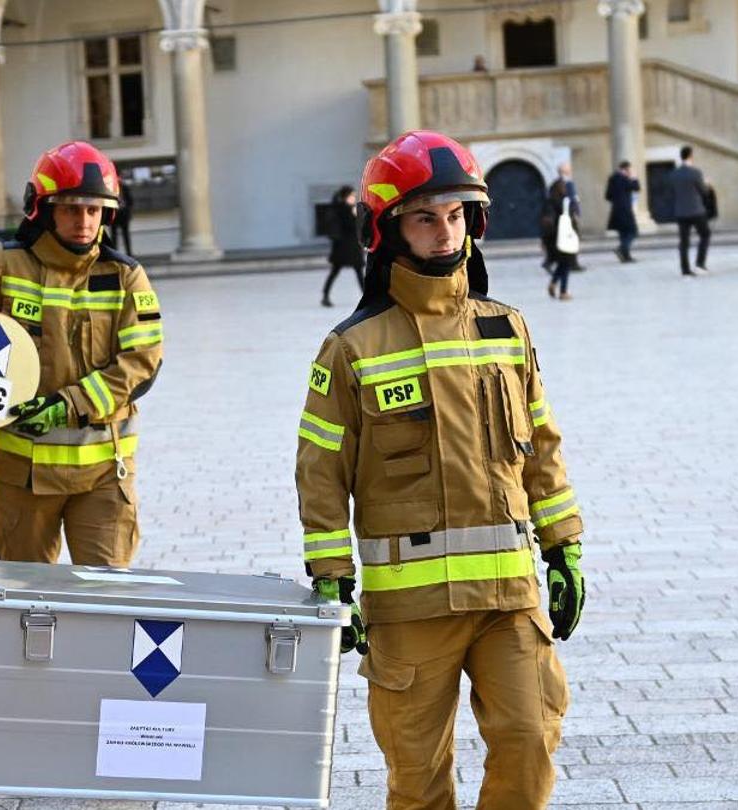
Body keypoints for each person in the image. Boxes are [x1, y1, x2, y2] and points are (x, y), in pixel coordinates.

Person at [295, 129, 584, 810]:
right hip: (409, 609)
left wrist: (564, 547)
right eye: (424, 218)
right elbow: (320, 471)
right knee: (418, 780)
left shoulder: (506, 328)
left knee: (531, 740)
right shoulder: (351, 348)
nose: (444, 232)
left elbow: (541, 447)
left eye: (456, 215)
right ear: (387, 230)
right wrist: (332, 578)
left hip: (508, 599)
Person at [0, 141, 162, 569]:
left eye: (94, 210)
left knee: (106, 598)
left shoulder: (125, 277)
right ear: (42, 209)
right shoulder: (5, 262)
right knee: (26, 599)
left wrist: (69, 404)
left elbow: (142, 361)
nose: (83, 221)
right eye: (70, 209)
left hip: (104, 479)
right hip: (22, 478)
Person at [668, 146, 711, 276]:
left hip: (681, 212)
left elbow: (672, 193)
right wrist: (707, 184)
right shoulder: (696, 172)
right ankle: (700, 264)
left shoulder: (674, 174)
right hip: (696, 211)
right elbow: (704, 192)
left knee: (684, 242)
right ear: (691, 156)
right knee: (705, 235)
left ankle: (685, 269)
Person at [322, 185, 365, 307]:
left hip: (346, 247)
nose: (354, 198)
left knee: (353, 272)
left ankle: (325, 295)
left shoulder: (342, 208)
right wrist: (356, 216)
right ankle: (325, 296)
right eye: (352, 196)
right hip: (345, 247)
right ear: (346, 197)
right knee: (343, 272)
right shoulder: (344, 210)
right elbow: (351, 226)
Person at [542, 177, 580, 299]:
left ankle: (553, 283)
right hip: (564, 237)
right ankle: (563, 292)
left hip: (552, 238)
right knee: (566, 264)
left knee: (562, 264)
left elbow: (545, 220)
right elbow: (573, 216)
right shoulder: (565, 202)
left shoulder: (548, 202)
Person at [604, 161, 640, 263]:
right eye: (629, 170)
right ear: (626, 169)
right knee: (633, 231)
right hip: (626, 210)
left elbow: (607, 196)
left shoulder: (612, 178)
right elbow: (636, 187)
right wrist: (634, 177)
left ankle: (626, 256)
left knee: (623, 234)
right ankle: (622, 249)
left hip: (616, 210)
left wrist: (617, 200)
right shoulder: (624, 179)